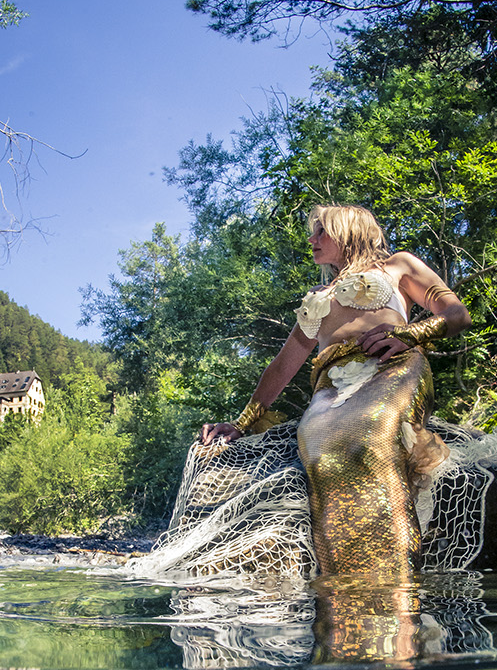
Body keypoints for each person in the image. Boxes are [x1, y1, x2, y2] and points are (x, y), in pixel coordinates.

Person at [199, 204, 471, 588]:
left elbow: (457, 314)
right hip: (331, 388)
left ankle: (399, 580)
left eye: (321, 231)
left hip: (392, 366)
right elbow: (283, 365)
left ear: (348, 231)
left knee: (376, 435)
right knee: (317, 446)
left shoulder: (397, 266)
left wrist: (411, 334)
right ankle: (341, 584)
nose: (311, 240)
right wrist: (242, 422)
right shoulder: (316, 296)